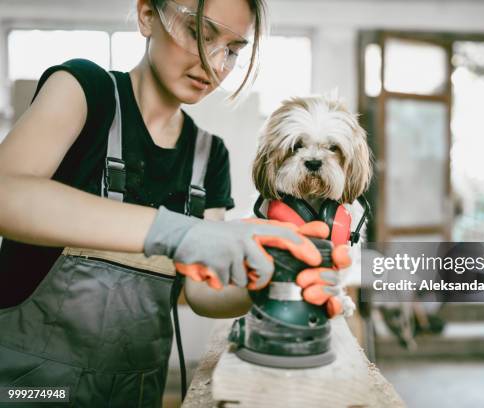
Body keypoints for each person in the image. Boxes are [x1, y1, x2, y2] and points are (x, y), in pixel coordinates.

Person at [0, 0, 348, 405]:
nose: (216, 63)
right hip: (30, 388)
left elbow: (203, 294)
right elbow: (7, 193)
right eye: (201, 34)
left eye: (233, 50)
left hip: (136, 392)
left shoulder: (208, 155)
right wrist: (180, 233)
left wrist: (269, 279)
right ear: (148, 15)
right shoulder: (83, 90)